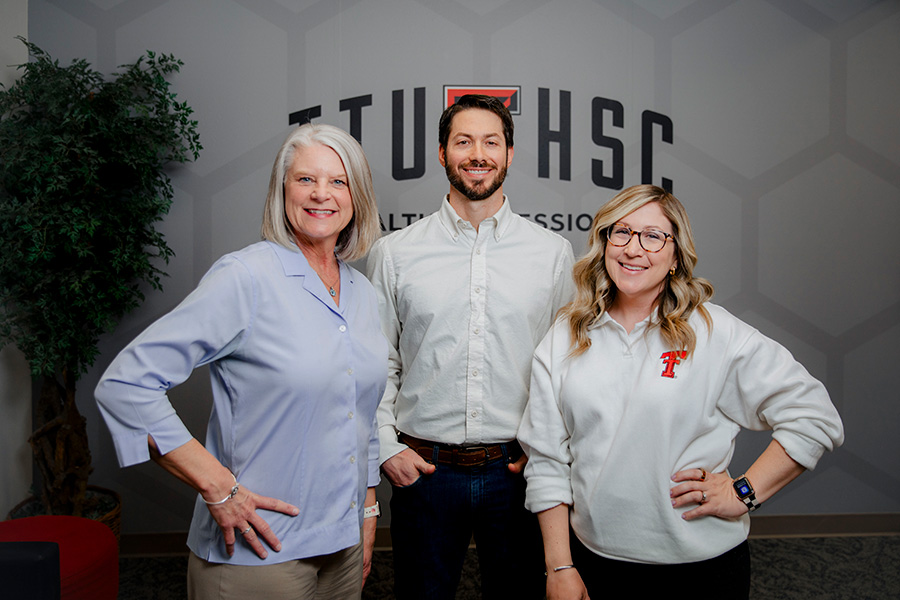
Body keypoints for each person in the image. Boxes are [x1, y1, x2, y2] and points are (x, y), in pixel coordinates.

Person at [95, 123, 388, 600]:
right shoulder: (247, 277)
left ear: (357, 196)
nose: (322, 194)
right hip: (259, 553)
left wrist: (369, 512)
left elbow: (363, 412)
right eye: (305, 179)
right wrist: (218, 487)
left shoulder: (362, 292)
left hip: (343, 548)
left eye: (338, 181)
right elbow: (126, 385)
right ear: (282, 189)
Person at [518, 184, 844, 599]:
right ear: (604, 244)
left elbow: (814, 417)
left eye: (653, 236)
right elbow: (547, 462)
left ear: (675, 257)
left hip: (702, 571)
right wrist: (559, 567)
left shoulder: (713, 331)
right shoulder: (565, 336)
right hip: (595, 563)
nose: (634, 249)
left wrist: (744, 492)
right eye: (622, 232)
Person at [366, 94, 576, 599]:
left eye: (491, 142)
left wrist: (551, 452)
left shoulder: (552, 255)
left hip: (518, 472)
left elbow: (569, 366)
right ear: (442, 153)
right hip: (424, 474)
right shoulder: (394, 253)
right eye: (463, 141)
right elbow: (375, 362)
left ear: (509, 154)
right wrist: (386, 448)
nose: (477, 154)